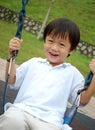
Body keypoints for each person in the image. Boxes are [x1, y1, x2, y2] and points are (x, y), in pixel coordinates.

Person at [0, 18, 95, 130]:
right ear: (45, 41)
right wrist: (11, 54)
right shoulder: (34, 63)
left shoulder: (73, 74)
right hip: (22, 111)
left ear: (71, 50)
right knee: (11, 120)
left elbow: (82, 101)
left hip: (50, 122)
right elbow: (11, 80)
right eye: (50, 41)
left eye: (61, 44)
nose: (54, 48)